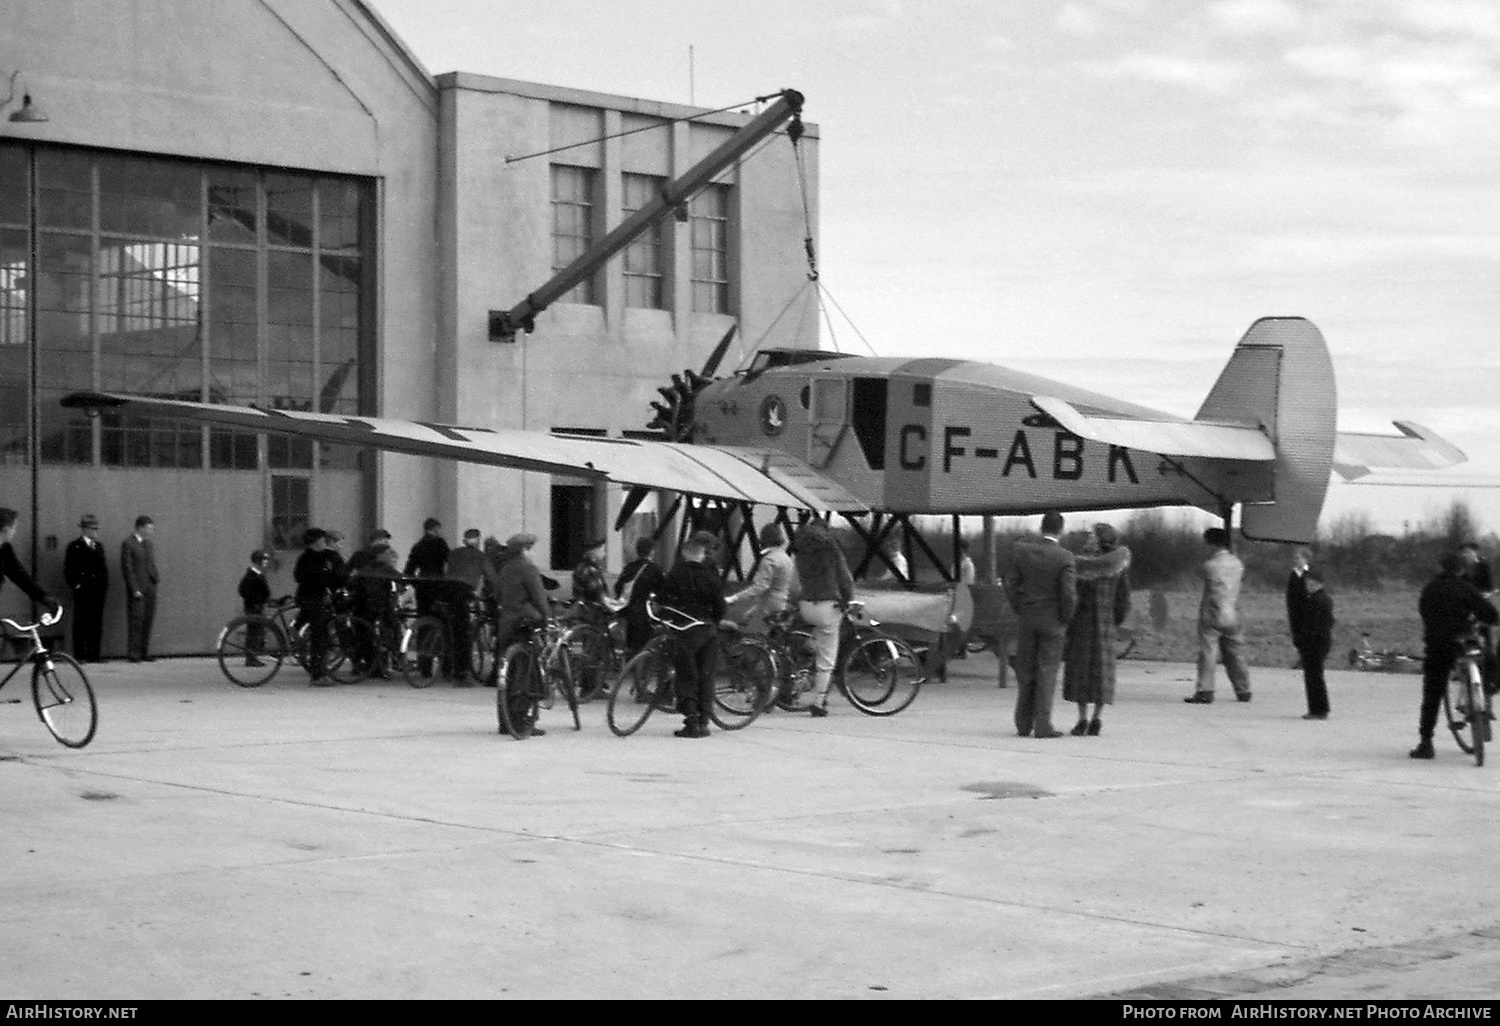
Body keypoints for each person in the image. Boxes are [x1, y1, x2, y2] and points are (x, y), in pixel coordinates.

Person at [1411, 552, 1498, 760]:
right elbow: (1489, 613)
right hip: (1463, 642)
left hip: (1438, 644)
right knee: (1486, 661)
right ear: (1460, 570)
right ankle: (1485, 696)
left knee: (1433, 691)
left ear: (1440, 568)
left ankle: (1426, 742)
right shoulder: (1466, 588)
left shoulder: (1430, 589)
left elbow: (1424, 614)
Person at [1004, 510, 1077, 739]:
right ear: (1061, 530)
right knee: (1047, 672)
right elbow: (1068, 594)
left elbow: (1011, 583)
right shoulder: (1065, 558)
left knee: (1026, 671)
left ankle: (1022, 723)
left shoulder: (1023, 552)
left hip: (1028, 617)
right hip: (1053, 621)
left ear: (1041, 527)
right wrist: (1065, 618)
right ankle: (1043, 725)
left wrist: (1020, 606)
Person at [1063, 523, 1131, 736]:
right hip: (1105, 625)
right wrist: (1114, 620)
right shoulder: (1118, 566)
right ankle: (1096, 719)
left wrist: (1069, 620)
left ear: (1099, 539)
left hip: (1081, 625)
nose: (1088, 538)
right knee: (1102, 674)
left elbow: (1071, 595)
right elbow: (1123, 599)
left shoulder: (1079, 565)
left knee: (1081, 673)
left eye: (1092, 535)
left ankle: (1081, 719)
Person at [658, 531, 728, 738]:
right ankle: (704, 721)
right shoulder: (710, 575)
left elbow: (663, 598)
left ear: (686, 554)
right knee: (707, 676)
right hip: (707, 629)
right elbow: (719, 604)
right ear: (701, 554)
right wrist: (714, 621)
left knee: (687, 674)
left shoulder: (677, 573)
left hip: (685, 630)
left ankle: (691, 721)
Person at [491, 532, 553, 735]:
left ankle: (504, 722)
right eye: (531, 549)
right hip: (523, 625)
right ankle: (519, 721)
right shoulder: (528, 569)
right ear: (524, 550)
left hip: (505, 625)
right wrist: (546, 618)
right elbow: (539, 598)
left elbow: (498, 595)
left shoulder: (505, 569)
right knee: (526, 673)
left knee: (505, 674)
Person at [793, 518, 855, 717]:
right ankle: (820, 701)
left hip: (805, 604)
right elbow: (844, 577)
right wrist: (848, 599)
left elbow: (795, 582)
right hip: (827, 604)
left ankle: (798, 677)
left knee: (812, 638)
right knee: (827, 656)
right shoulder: (830, 547)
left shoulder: (800, 549)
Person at [1185, 527, 1252, 704]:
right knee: (1236, 653)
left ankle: (1205, 690)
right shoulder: (1238, 564)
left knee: (1208, 652)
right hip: (1233, 612)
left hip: (1213, 613)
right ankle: (1243, 689)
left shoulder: (1210, 566)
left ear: (1211, 543)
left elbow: (1198, 573)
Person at [726, 523, 797, 632]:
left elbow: (761, 587)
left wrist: (734, 598)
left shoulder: (769, 560)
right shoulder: (786, 558)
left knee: (756, 635)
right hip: (781, 602)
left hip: (768, 604)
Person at [294, 528, 340, 685]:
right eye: (321, 541)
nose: (324, 543)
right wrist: (325, 579)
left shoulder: (308, 557)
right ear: (315, 543)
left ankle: (297, 629)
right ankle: (318, 675)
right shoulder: (313, 559)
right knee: (319, 637)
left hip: (308, 598)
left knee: (318, 634)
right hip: (314, 599)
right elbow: (311, 577)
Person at [0, 508, 60, 620]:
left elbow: (21, 577)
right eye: (14, 527)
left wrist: (44, 598)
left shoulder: (5, 550)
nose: (14, 531)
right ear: (6, 529)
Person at [63, 513, 108, 663]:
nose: (95, 531)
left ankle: (94, 654)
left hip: (97, 592)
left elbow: (103, 569)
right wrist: (76, 586)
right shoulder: (75, 546)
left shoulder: (98, 546)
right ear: (85, 530)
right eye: (92, 528)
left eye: (96, 528)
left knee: (96, 623)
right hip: (83, 592)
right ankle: (80, 655)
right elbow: (69, 570)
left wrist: (104, 586)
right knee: (81, 623)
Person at [615, 537, 666, 657]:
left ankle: (628, 668)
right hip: (644, 612)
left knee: (630, 643)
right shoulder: (654, 569)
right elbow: (662, 592)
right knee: (643, 645)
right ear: (652, 551)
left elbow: (618, 587)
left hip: (626, 611)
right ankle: (640, 670)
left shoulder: (629, 567)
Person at [1296, 569, 1334, 720]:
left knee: (1313, 677)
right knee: (1315, 675)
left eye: (1311, 583)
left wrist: (1305, 640)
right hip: (1322, 641)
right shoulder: (1326, 599)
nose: (1308, 585)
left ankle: (1317, 709)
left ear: (1319, 584)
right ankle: (1320, 708)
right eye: (1307, 583)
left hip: (1314, 643)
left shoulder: (1315, 600)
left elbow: (1313, 625)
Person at [120, 514, 159, 663]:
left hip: (149, 586)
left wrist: (155, 579)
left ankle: (144, 651)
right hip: (138, 588)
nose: (151, 531)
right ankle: (134, 653)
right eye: (149, 528)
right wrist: (134, 587)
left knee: (148, 620)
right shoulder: (128, 544)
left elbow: (150, 563)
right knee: (136, 620)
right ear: (141, 527)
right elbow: (127, 568)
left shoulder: (148, 544)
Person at [404, 517, 449, 617]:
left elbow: (409, 570)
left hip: (422, 586)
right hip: (438, 584)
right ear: (435, 529)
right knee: (440, 616)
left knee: (423, 615)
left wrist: (416, 583)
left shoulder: (418, 546)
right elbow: (449, 561)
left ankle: (422, 630)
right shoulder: (440, 543)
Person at [237, 550, 273, 668]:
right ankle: (251, 657)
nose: (266, 563)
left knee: (257, 631)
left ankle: (254, 655)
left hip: (258, 606)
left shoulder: (259, 574)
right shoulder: (251, 575)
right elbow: (243, 590)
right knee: (254, 631)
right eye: (264, 560)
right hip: (253, 607)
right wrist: (256, 600)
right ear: (258, 561)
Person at [1286, 546, 1313, 668]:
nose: (1296, 560)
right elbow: (1289, 594)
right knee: (1297, 636)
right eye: (1295, 558)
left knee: (1307, 635)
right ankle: (1301, 657)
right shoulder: (1293, 574)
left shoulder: (1310, 574)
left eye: (1298, 558)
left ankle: (1306, 659)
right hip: (1295, 611)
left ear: (1306, 559)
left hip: (1308, 610)